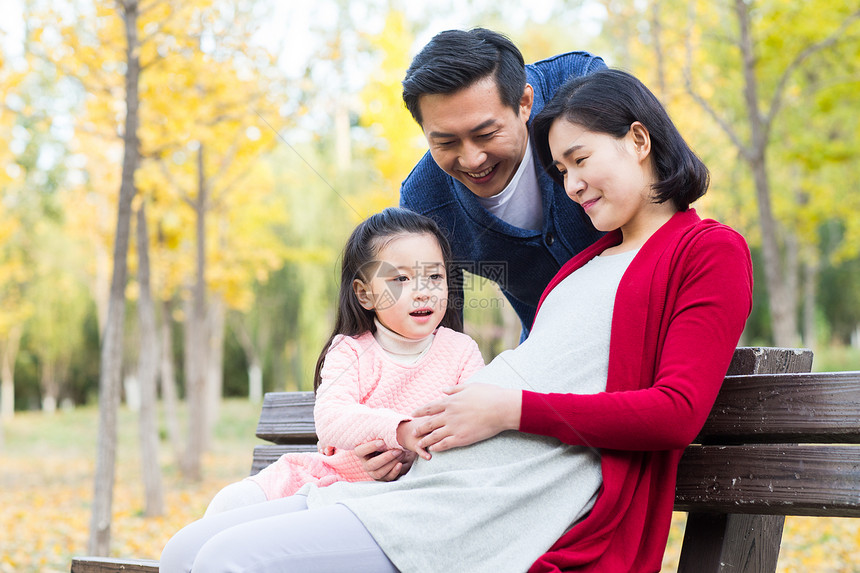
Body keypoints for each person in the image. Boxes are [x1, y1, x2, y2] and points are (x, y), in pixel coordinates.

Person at [161, 69, 753, 573]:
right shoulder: (585, 264)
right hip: (430, 478)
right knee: (185, 550)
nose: (571, 186)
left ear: (639, 139)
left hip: (496, 503)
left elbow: (675, 411)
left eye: (580, 161)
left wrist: (505, 408)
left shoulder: (706, 251)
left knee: (226, 560)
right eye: (561, 171)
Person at [200, 207, 485, 515]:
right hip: (334, 480)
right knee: (229, 504)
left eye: (434, 276)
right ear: (365, 295)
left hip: (417, 496)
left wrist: (415, 456)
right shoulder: (350, 351)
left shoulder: (461, 352)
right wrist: (401, 432)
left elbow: (474, 426)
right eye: (400, 278)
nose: (422, 292)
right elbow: (331, 417)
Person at [399, 28, 606, 339]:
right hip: (551, 348)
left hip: (661, 310)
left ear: (524, 103)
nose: (472, 160)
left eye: (485, 135)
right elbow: (438, 333)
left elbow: (662, 192)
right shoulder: (425, 203)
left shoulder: (579, 85)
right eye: (446, 142)